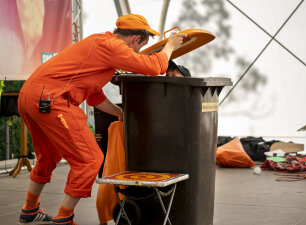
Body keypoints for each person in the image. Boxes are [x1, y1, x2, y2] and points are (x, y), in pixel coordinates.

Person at [17, 14, 186, 225]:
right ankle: (64, 218)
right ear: (134, 39)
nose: (137, 53)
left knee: (48, 156)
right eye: (140, 47)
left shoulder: (100, 45)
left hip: (31, 96)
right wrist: (169, 47)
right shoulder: (113, 46)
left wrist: (120, 113)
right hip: (52, 99)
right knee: (90, 160)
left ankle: (29, 208)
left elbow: (94, 96)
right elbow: (153, 67)